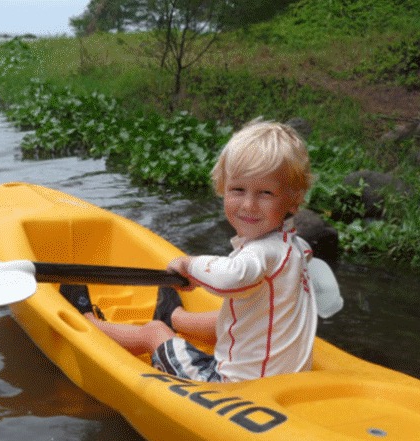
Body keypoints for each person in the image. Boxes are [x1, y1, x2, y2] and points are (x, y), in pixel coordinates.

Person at [81, 118, 319, 383]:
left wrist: (188, 266)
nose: (249, 205)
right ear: (223, 188)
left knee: (154, 332)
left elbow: (233, 276)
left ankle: (90, 324)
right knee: (240, 313)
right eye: (238, 190)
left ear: (293, 200)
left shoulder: (262, 252)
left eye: (265, 193)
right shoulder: (298, 247)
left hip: (235, 385)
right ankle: (176, 318)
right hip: (284, 378)